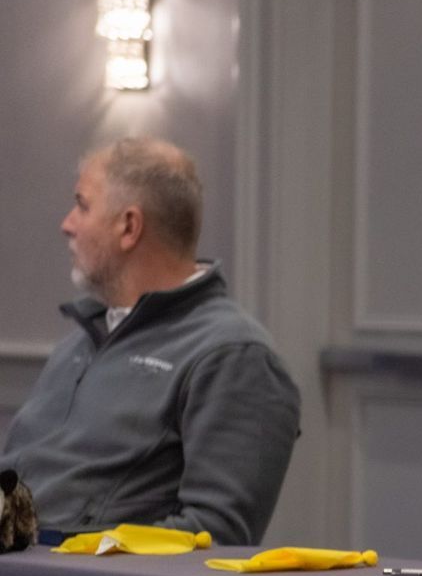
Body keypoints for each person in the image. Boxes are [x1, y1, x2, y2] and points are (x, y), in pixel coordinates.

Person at [0, 137, 300, 545]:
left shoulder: (233, 355)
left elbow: (214, 535)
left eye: (83, 205)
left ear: (129, 227)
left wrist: (50, 546)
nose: (67, 223)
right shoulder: (81, 341)